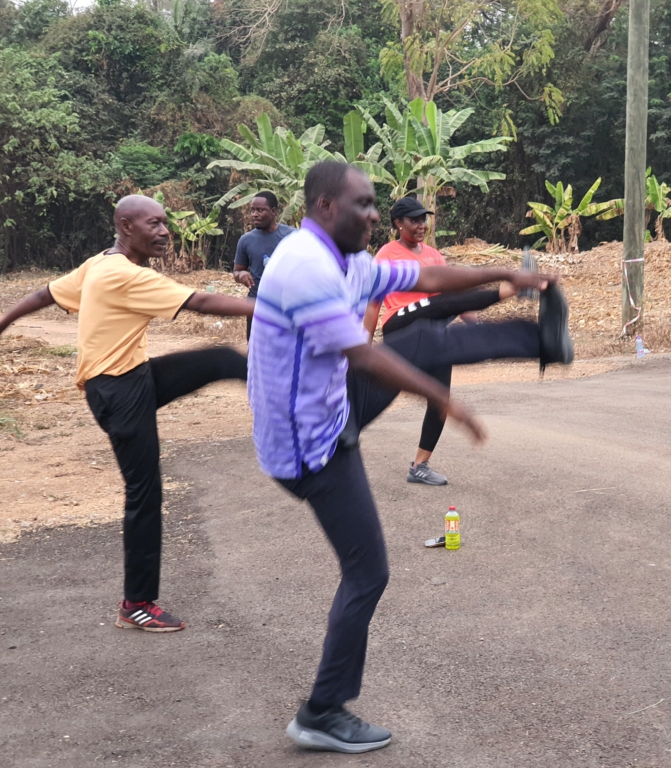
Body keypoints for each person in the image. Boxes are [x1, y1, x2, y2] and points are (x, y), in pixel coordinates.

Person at [250, 161, 572, 753]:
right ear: (324, 206)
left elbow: (426, 282)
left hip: (327, 405)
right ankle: (322, 711)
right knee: (368, 571)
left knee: (419, 336)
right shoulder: (304, 267)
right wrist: (448, 402)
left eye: (376, 206)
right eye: (363, 206)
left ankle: (541, 339)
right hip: (307, 444)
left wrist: (508, 272)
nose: (375, 216)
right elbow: (366, 356)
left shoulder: (346, 257)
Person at [0, 195, 256, 632]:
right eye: (153, 223)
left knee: (223, 360)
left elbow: (46, 292)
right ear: (125, 225)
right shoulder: (121, 274)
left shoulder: (99, 263)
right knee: (145, 492)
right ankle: (136, 604)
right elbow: (202, 303)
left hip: (132, 377)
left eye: (165, 223)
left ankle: (297, 407)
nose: (164, 231)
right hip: (118, 390)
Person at [362, 196, 519, 486]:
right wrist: (364, 348)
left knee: (439, 398)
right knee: (437, 303)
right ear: (398, 223)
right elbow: (373, 305)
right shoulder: (386, 254)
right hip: (402, 325)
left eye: (425, 219)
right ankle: (506, 290)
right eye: (415, 220)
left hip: (433, 328)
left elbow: (453, 302)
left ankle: (420, 465)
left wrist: (478, 327)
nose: (422, 225)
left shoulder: (434, 255)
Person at [232, 191, 295, 341]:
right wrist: (241, 275)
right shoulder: (246, 240)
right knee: (255, 350)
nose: (254, 214)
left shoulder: (292, 237)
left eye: (260, 210)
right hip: (256, 304)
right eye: (252, 210)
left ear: (274, 212)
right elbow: (237, 271)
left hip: (286, 304)